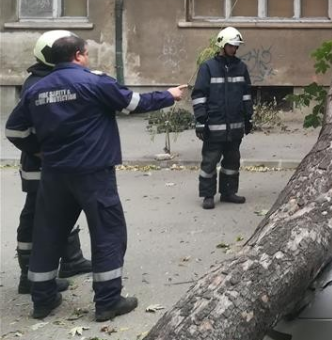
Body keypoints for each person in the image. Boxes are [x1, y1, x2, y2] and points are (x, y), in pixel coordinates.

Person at [5, 33, 186, 321]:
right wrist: (169, 95)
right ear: (78, 55)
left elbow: (14, 130)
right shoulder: (94, 81)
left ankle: (42, 300)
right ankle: (108, 301)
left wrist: (37, 151)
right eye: (86, 53)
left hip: (53, 174)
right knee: (108, 233)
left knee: (48, 234)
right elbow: (133, 103)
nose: (88, 57)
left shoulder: (37, 90)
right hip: (93, 173)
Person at [14, 31, 93, 296]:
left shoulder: (49, 78)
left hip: (55, 164)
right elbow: (17, 129)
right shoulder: (39, 84)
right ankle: (29, 276)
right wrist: (40, 152)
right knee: (37, 215)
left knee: (61, 208)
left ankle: (71, 259)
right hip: (42, 166)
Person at [192, 27, 253, 210]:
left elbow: (246, 95)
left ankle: (228, 192)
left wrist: (248, 118)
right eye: (232, 46)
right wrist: (201, 121)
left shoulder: (241, 67)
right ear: (223, 45)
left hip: (235, 126)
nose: (235, 49)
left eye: (236, 46)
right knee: (210, 162)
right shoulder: (208, 67)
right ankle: (208, 195)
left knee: (232, 162)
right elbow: (199, 95)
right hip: (214, 126)